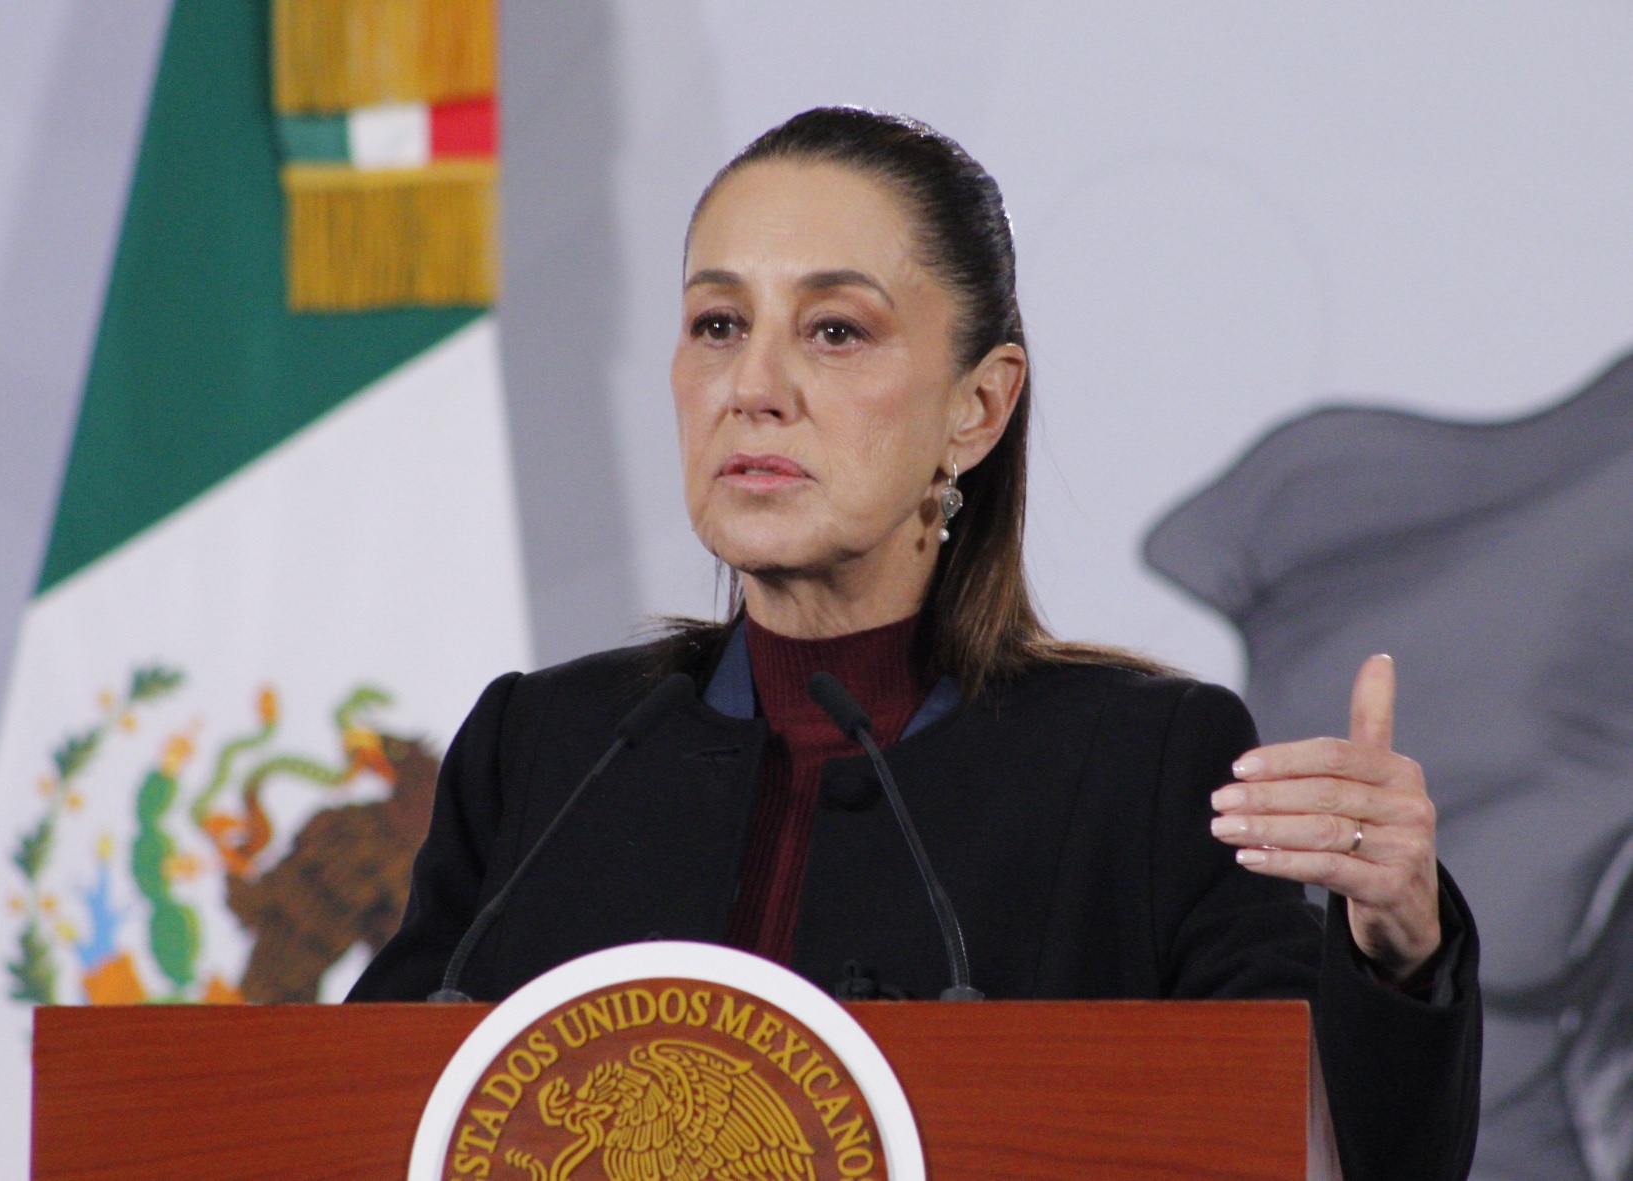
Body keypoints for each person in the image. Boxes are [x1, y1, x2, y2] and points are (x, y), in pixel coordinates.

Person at [350, 107, 1481, 1180]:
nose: (753, 387)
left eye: (834, 331)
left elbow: (1323, 1149)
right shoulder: (543, 752)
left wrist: (1396, 949)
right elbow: (348, 1122)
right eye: (718, 325)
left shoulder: (1143, 768)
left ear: (976, 407)